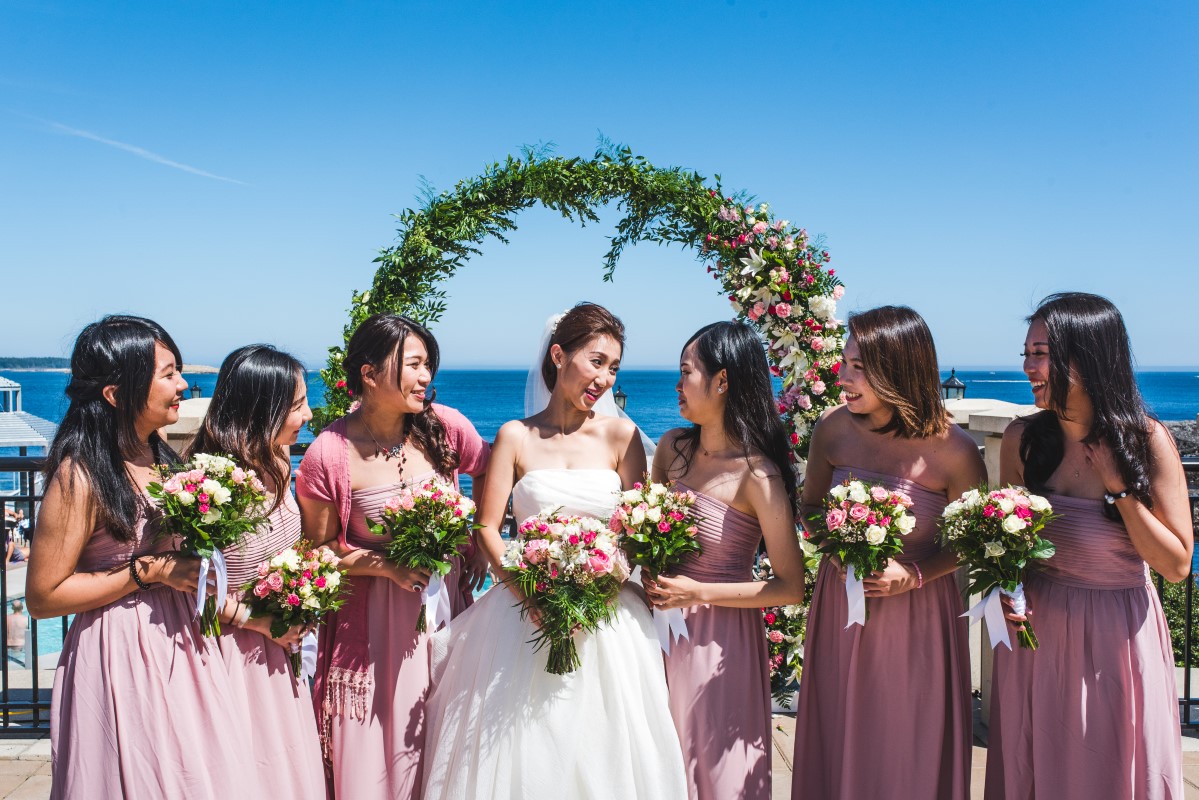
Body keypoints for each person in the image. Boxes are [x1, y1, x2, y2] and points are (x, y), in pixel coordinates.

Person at [421, 302, 688, 799]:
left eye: (614, 368)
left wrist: (604, 584)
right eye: (596, 361)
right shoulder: (515, 436)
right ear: (560, 355)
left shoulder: (623, 437)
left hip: (609, 616)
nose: (605, 378)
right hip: (523, 610)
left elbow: (635, 528)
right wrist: (531, 594)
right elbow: (487, 528)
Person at [28, 315, 246, 798]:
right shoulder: (79, 475)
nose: (183, 384)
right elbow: (43, 596)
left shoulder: (159, 456)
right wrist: (150, 570)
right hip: (118, 653)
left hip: (180, 641)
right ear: (115, 393)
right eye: (168, 374)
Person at [985, 292, 1191, 800]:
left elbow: (1177, 565)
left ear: (1088, 358)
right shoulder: (1022, 440)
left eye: (1041, 353)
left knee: (1108, 769)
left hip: (1116, 636)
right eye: (1026, 353)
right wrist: (1005, 593)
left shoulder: (1147, 440)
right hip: (1037, 635)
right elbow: (1003, 546)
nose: (1029, 367)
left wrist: (1120, 490)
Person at [791, 305, 985, 800]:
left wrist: (914, 575)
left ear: (898, 369)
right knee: (839, 728)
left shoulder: (956, 451)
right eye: (844, 362)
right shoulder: (831, 429)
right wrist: (837, 546)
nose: (843, 377)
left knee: (906, 742)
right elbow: (810, 507)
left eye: (859, 367)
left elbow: (969, 541)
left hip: (918, 618)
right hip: (841, 608)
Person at [296, 313, 490, 799]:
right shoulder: (328, 452)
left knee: (446, 732)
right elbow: (317, 553)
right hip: (373, 628)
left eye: (429, 365)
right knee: (380, 751)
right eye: (415, 364)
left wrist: (479, 542)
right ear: (368, 372)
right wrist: (385, 565)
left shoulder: (444, 427)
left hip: (445, 611)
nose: (426, 377)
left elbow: (487, 466)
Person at [641, 321, 806, 800]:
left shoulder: (759, 475)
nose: (677, 384)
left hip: (721, 640)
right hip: (655, 629)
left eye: (686, 372)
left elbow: (790, 586)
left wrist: (698, 593)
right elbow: (645, 532)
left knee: (716, 768)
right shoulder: (672, 448)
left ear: (723, 381)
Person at [186, 344, 325, 799]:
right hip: (228, 654)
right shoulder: (210, 484)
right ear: (264, 407)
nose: (309, 413)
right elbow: (189, 586)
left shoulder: (281, 463)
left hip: (279, 649)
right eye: (298, 403)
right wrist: (258, 621)